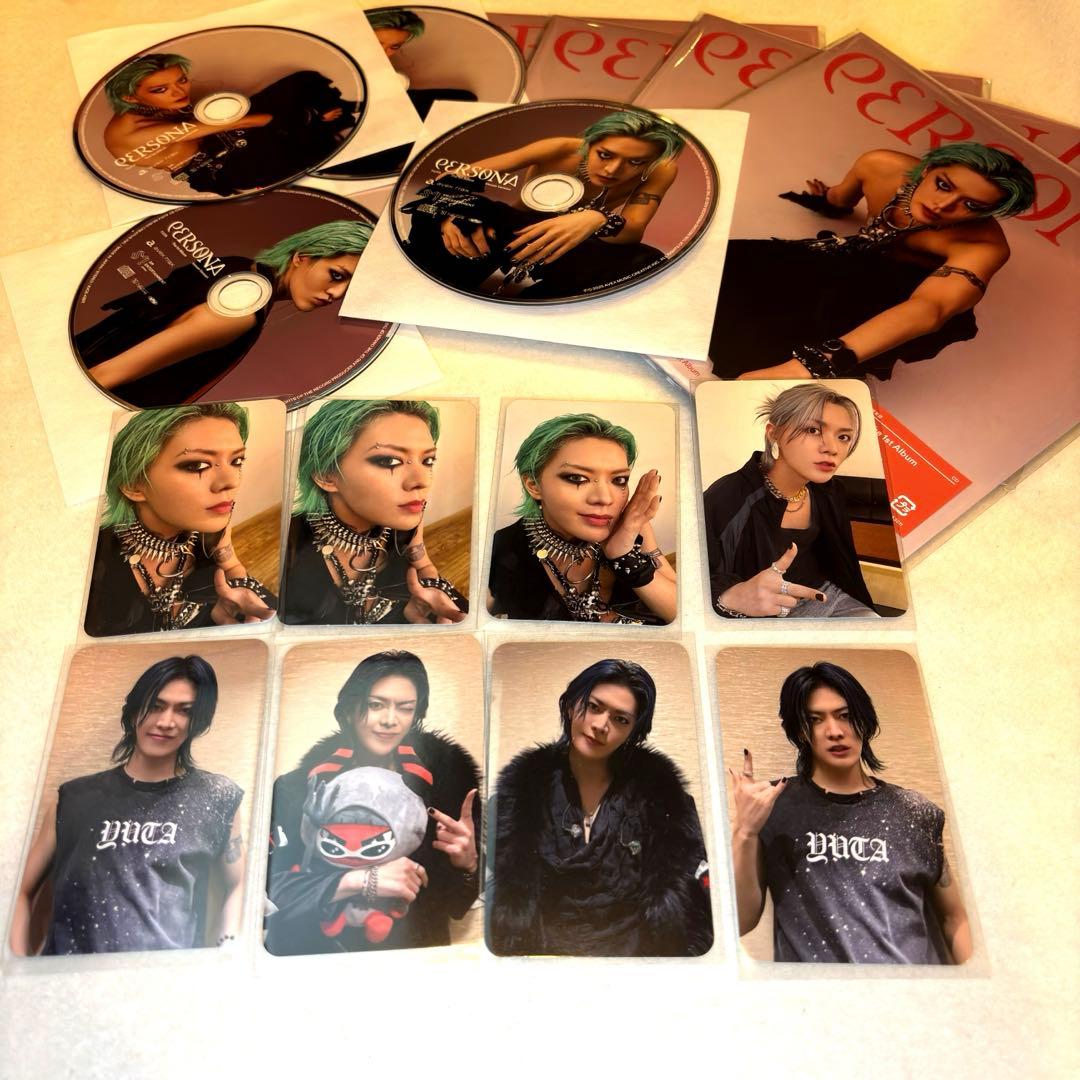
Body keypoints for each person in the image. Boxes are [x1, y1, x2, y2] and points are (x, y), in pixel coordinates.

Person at [709, 142, 1037, 380]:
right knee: (723, 273)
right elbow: (839, 199)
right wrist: (827, 200)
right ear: (928, 169)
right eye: (943, 185)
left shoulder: (985, 246)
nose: (944, 204)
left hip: (893, 298)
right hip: (843, 257)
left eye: (972, 205)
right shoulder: (880, 166)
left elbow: (929, 309)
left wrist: (807, 366)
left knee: (757, 351)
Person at [728, 661, 971, 964]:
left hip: (916, 988)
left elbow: (954, 919)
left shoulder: (915, 811)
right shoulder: (774, 805)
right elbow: (739, 921)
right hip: (823, 992)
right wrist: (744, 831)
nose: (835, 731)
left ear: (864, 720)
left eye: (845, 715)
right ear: (801, 731)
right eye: (816, 720)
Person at [10, 656, 245, 956]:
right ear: (135, 710)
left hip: (163, 978)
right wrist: (17, 967)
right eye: (156, 706)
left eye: (184, 711)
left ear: (198, 721)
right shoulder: (74, 798)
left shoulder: (216, 797)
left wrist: (227, 952)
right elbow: (19, 891)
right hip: (69, 977)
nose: (166, 722)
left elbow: (238, 886)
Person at [488, 658, 712, 957]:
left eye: (621, 720)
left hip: (637, 968)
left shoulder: (663, 799)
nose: (601, 726)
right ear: (570, 705)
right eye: (594, 707)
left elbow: (692, 904)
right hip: (542, 967)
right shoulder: (520, 795)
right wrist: (467, 864)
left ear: (634, 732)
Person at [265, 650, 482, 955]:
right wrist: (363, 881)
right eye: (376, 705)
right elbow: (272, 892)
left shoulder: (446, 789)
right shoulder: (296, 789)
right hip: (316, 958)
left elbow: (456, 907)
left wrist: (468, 864)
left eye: (405, 708)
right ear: (349, 710)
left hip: (415, 961)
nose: (390, 720)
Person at [74, 219, 372, 408]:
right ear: (302, 257)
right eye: (336, 275)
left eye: (349, 288)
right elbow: (104, 376)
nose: (337, 294)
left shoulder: (238, 266)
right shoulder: (238, 313)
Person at [401, 108, 684, 299]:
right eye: (605, 154)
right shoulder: (559, 148)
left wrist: (595, 218)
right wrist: (450, 214)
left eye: (636, 162)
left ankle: (533, 309)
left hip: (573, 244)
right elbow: (451, 177)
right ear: (591, 142)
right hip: (507, 232)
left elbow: (633, 230)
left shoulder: (662, 170)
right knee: (444, 215)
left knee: (647, 260)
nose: (613, 170)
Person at [85, 403, 276, 636]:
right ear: (133, 484)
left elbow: (231, 564)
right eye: (197, 465)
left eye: (236, 461)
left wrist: (239, 588)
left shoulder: (211, 527)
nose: (231, 481)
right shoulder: (92, 563)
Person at [703, 384, 883, 619]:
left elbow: (841, 563)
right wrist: (729, 597)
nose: (832, 448)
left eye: (843, 437)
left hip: (826, 596)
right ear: (774, 433)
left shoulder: (829, 491)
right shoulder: (728, 497)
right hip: (763, 612)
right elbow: (699, 582)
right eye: (813, 430)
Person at [281, 399, 467, 625]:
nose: (422, 481)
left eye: (427, 461)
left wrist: (430, 587)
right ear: (326, 475)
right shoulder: (289, 543)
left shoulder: (406, 516)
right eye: (390, 461)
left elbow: (423, 562)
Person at [488, 412, 676, 624]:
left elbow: (685, 613)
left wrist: (623, 556)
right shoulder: (502, 551)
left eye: (619, 480)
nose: (605, 498)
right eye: (577, 478)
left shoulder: (632, 526)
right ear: (534, 485)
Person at [101, 52, 358, 196]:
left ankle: (342, 110)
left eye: (182, 80)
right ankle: (332, 121)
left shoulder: (150, 106)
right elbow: (251, 121)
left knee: (299, 83)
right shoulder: (133, 133)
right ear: (129, 97)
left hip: (217, 140)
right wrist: (310, 117)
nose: (179, 91)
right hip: (221, 169)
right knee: (309, 146)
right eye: (160, 89)